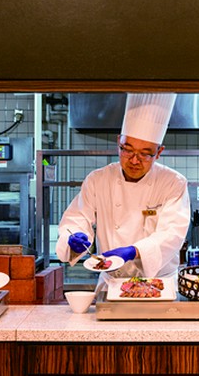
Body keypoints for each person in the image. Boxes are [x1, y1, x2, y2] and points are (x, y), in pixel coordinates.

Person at [55, 93, 191, 281]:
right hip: (112, 280)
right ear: (119, 142)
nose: (134, 160)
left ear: (159, 152)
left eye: (145, 154)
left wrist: (134, 251)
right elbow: (77, 217)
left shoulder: (173, 183)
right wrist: (76, 236)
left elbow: (172, 234)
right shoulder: (98, 180)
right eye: (127, 150)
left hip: (158, 283)